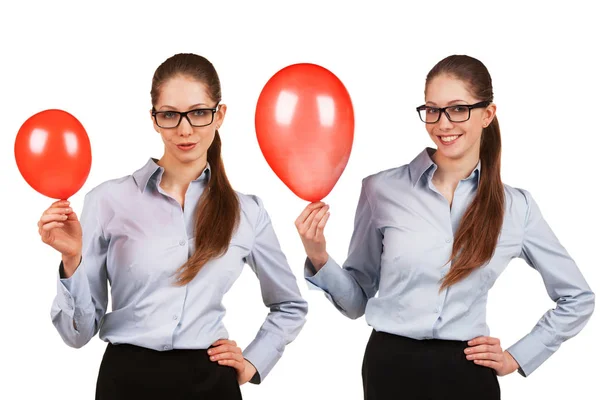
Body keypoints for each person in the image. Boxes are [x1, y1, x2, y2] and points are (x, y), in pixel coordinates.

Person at [296, 54, 594, 399]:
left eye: (457, 109)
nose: (443, 123)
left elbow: (578, 297)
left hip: (468, 374)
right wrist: (318, 255)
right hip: (390, 369)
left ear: (487, 114)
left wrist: (518, 356)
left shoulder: (517, 208)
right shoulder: (381, 190)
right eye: (432, 110)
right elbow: (356, 303)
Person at [40, 53, 308, 399]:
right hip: (126, 382)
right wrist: (72, 261)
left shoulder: (247, 211)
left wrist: (253, 361)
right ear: (154, 119)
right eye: (170, 115)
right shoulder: (107, 200)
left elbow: (290, 305)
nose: (185, 129)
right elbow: (76, 335)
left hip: (211, 384)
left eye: (199, 113)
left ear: (219, 115)